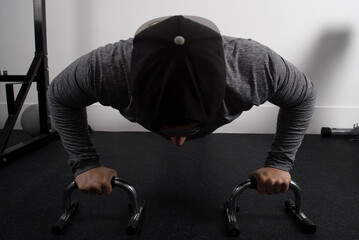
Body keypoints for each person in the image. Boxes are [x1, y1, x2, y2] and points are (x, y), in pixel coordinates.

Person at [47, 15, 315, 196]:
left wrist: (280, 163)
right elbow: (60, 96)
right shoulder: (110, 67)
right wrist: (84, 163)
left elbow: (302, 96)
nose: (178, 144)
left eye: (189, 130)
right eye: (168, 130)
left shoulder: (252, 65)